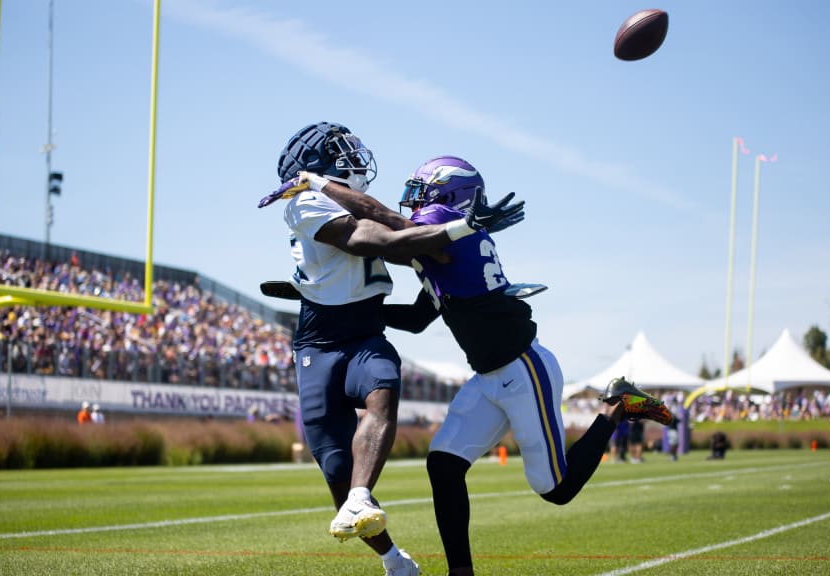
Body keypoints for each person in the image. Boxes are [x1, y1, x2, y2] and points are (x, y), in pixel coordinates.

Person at [301, 155, 672, 576]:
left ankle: (617, 406)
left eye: (424, 189)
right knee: (443, 465)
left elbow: (381, 220)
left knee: (557, 489)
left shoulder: (442, 227)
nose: (414, 199)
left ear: (449, 194)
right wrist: (343, 310)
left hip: (523, 369)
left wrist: (319, 184)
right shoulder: (443, 243)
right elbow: (421, 319)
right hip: (489, 375)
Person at [259, 125, 523, 576]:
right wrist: (460, 228)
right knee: (336, 469)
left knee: (383, 387)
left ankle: (363, 497)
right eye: (339, 151)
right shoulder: (304, 202)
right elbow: (377, 239)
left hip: (364, 329)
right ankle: (392, 558)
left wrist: (461, 228)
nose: (354, 156)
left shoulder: (337, 195)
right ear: (313, 165)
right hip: (318, 341)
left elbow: (396, 227)